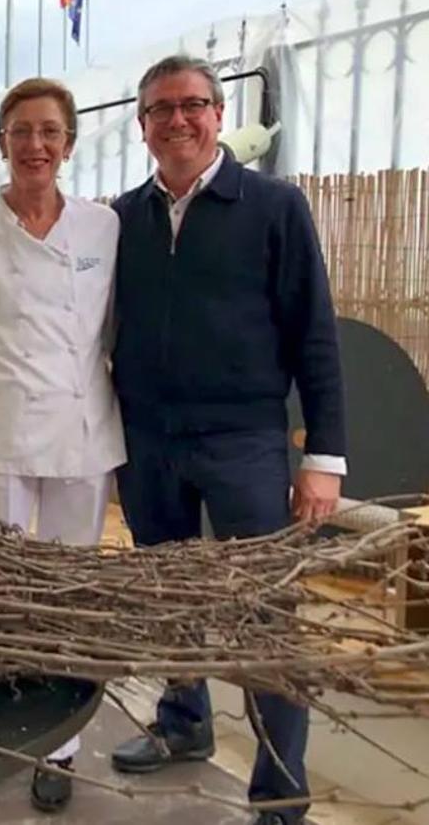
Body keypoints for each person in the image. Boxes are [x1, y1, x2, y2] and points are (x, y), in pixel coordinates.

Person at [108, 54, 346, 825]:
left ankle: (280, 793)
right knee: (172, 597)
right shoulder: (121, 219)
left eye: (194, 105)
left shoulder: (273, 206)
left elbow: (315, 337)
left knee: (265, 616)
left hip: (244, 440)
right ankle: (184, 722)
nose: (179, 120)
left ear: (218, 116)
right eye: (161, 109)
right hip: (149, 441)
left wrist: (323, 457)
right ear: (142, 126)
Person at [0, 77, 124, 813]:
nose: (35, 145)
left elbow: (112, 334)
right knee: (3, 590)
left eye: (49, 132)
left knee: (70, 590)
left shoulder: (102, 228)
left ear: (69, 144)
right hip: (0, 432)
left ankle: (62, 746)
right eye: (21, 131)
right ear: (3, 144)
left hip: (83, 429)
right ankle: (6, 723)